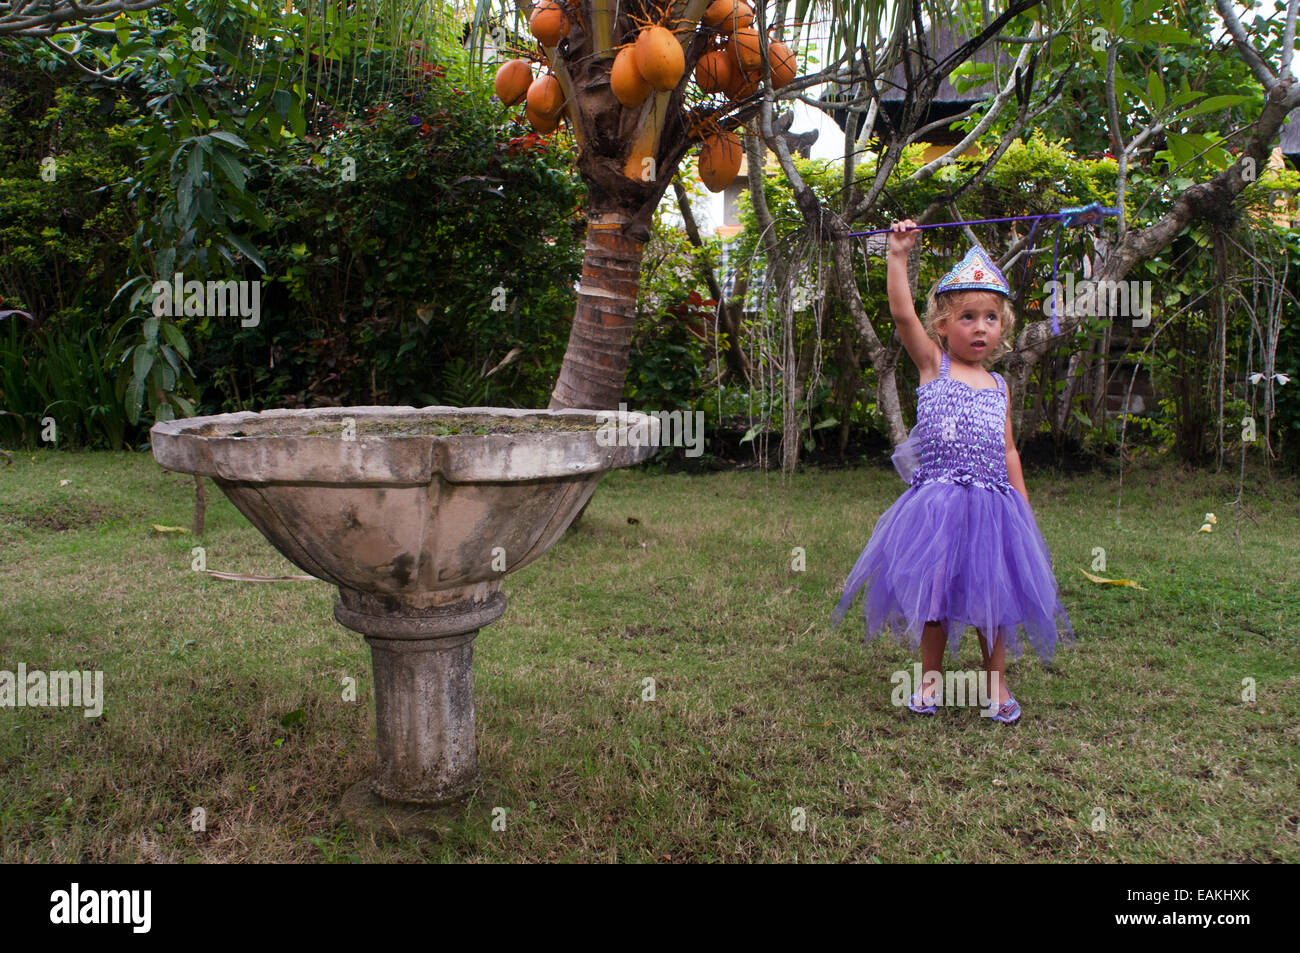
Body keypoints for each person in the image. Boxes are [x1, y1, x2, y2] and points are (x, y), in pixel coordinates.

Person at [831, 220, 1074, 723]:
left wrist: (1023, 506)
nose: (980, 327)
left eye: (990, 317)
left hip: (993, 509)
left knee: (994, 601)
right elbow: (900, 314)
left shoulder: (1000, 386)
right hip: (939, 507)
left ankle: (996, 685)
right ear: (942, 325)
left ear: (1003, 327)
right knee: (935, 598)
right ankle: (931, 680)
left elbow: (1008, 451)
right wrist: (898, 254)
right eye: (967, 317)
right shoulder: (932, 365)